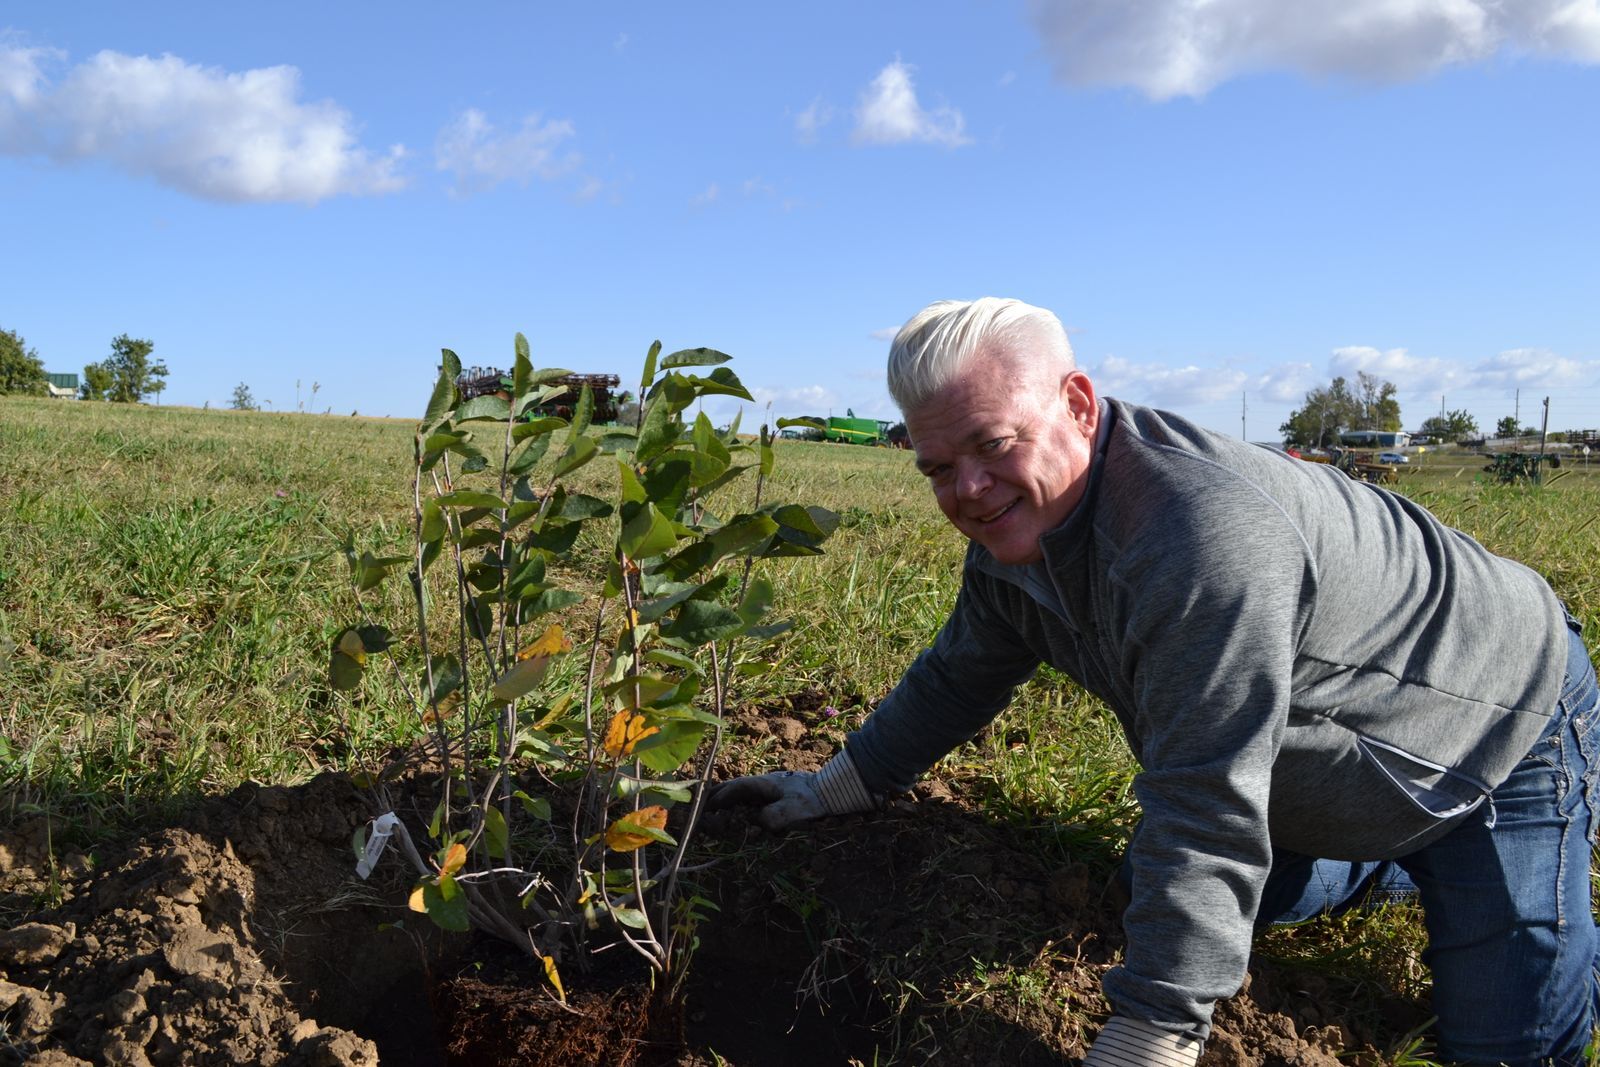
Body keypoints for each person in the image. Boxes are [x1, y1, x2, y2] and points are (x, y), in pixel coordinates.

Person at [710, 297, 1599, 1065]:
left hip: (1501, 723)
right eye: (939, 468)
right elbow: (958, 674)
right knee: (1202, 897)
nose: (968, 491)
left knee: (1503, 1049)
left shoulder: (1198, 538)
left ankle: (1496, 854)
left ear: (1080, 404)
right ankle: (1403, 860)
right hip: (1334, 751)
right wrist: (844, 782)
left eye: (992, 445)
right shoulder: (1019, 536)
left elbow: (1204, 800)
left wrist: (1154, 1030)